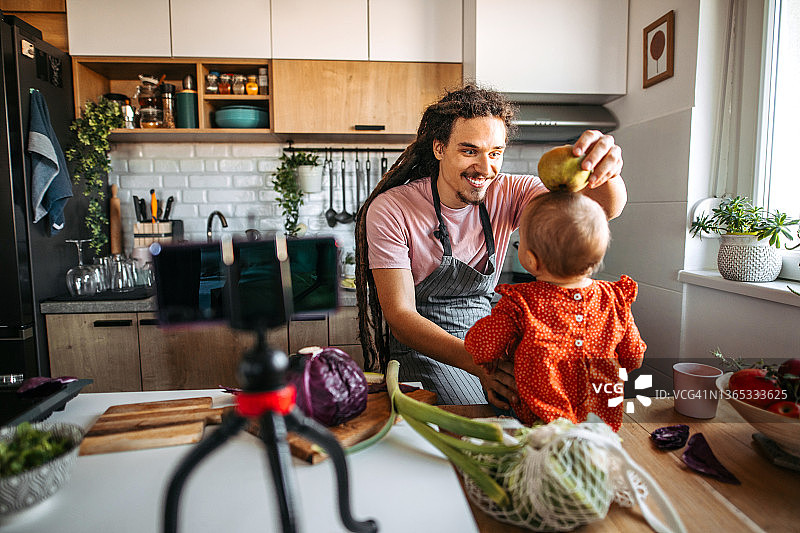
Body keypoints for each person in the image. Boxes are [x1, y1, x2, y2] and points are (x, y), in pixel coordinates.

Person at [354, 84, 627, 407]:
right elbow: (400, 316)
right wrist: (477, 361)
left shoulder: (510, 192)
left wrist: (604, 172)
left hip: (491, 339)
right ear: (439, 148)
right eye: (470, 151)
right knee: (473, 421)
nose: (486, 169)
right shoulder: (392, 209)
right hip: (425, 347)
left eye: (495, 153)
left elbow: (602, 210)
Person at [464, 192, 646, 430]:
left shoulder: (521, 302)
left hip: (537, 421)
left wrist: (488, 358)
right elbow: (634, 357)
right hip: (600, 421)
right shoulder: (614, 298)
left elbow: (482, 347)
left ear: (531, 259)